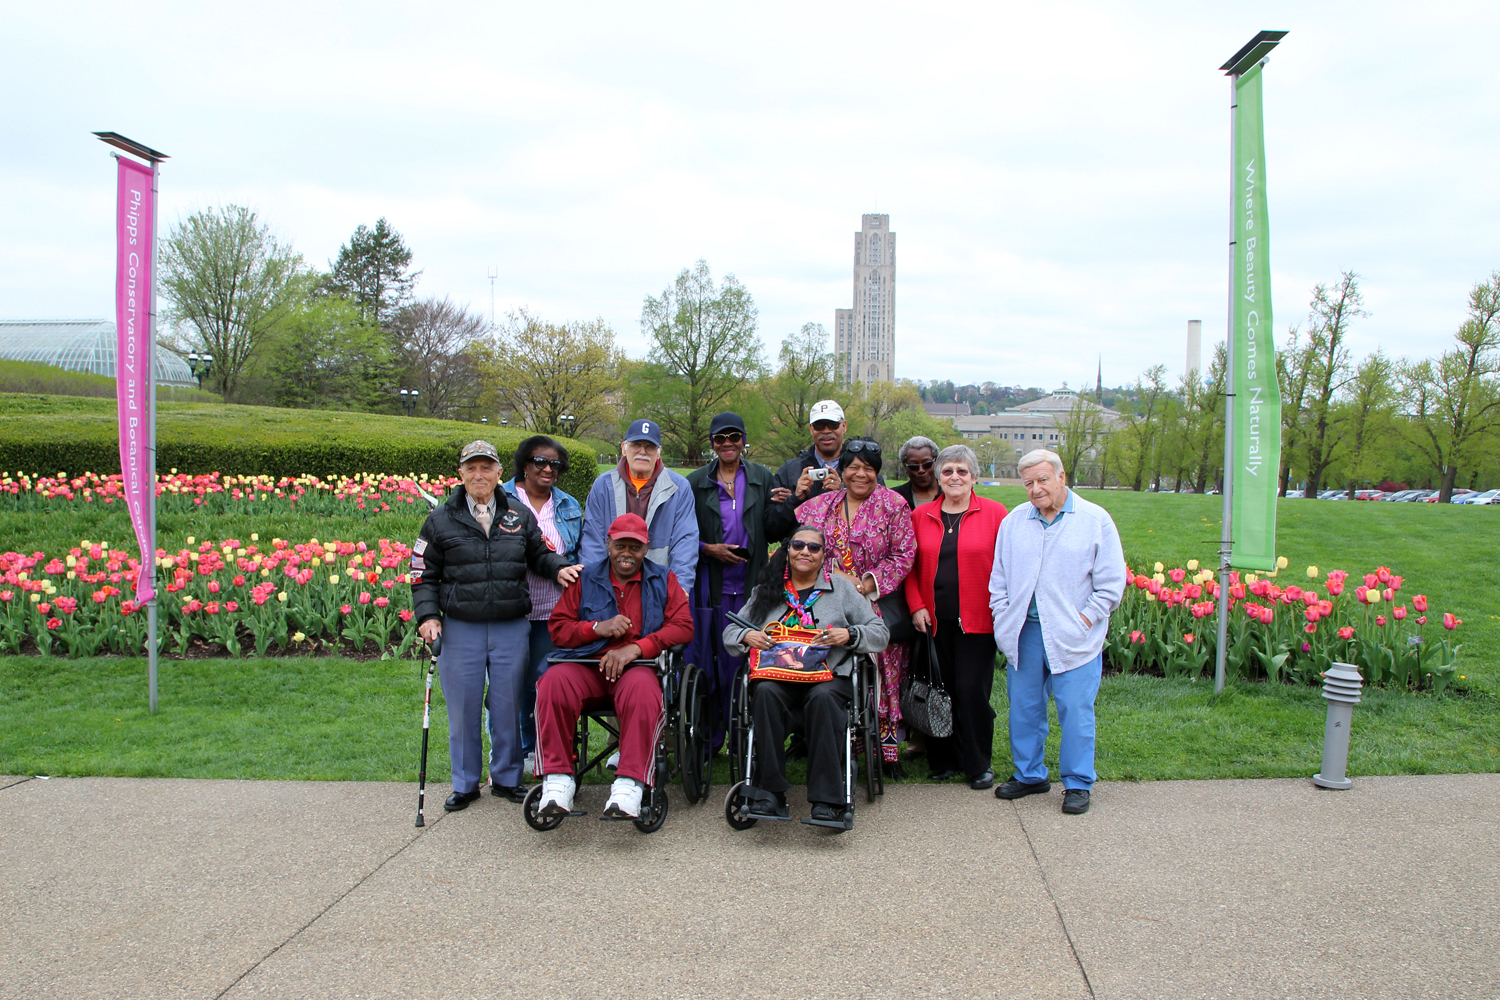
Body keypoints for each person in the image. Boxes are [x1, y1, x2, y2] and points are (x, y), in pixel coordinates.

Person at [413, 440, 583, 811]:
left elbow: (539, 553)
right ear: (460, 473)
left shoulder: (518, 515)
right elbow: (423, 573)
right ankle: (465, 784)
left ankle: (507, 778)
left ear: (499, 474)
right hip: (461, 627)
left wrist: (560, 568)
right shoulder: (440, 519)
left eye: (486, 468)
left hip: (510, 625)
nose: (479, 475)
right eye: (471, 468)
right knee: (464, 708)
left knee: (507, 705)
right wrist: (427, 618)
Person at [988, 449, 1125, 815]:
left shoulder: (1094, 520)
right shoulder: (1015, 521)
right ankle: (1030, 775)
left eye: (1043, 480)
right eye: (1028, 482)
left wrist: (1086, 618)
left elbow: (1111, 584)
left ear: (1062, 477)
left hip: (1073, 634)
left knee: (1075, 710)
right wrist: (1001, 616)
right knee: (1024, 709)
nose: (1035, 489)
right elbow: (998, 578)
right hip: (1024, 632)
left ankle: (1078, 782)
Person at [723, 526, 889, 823]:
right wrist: (748, 636)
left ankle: (826, 799)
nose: (805, 552)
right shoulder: (767, 591)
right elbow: (731, 630)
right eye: (798, 545)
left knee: (824, 698)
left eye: (814, 548)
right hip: (777, 678)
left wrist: (848, 635)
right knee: (764, 692)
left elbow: (879, 632)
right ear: (787, 551)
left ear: (824, 556)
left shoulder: (841, 590)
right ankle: (770, 793)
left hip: (828, 679)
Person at [535, 514, 695, 818]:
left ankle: (629, 784)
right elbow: (558, 629)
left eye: (635, 548)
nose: (627, 554)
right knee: (553, 682)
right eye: (621, 545)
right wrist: (596, 628)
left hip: (637, 667)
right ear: (608, 544)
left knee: (643, 689)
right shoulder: (584, 578)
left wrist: (637, 647)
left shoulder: (664, 579)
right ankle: (557, 780)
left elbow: (684, 626)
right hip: (587, 666)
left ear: (646, 549)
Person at [794, 439, 916, 769]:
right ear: (841, 470)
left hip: (875, 602)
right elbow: (799, 547)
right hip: (829, 602)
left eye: (869, 469)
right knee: (833, 668)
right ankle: (840, 743)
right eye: (853, 467)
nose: (860, 474)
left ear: (878, 472)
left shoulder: (894, 505)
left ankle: (886, 753)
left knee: (884, 676)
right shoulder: (820, 507)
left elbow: (905, 554)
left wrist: (865, 584)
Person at [904, 445, 1008, 789]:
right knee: (939, 689)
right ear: (938, 477)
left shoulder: (995, 514)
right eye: (947, 471)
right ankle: (943, 760)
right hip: (933, 621)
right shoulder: (921, 516)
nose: (955, 477)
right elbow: (911, 569)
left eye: (962, 471)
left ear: (974, 477)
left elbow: (1008, 567)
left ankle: (977, 763)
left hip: (978, 620)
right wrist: (917, 605)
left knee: (971, 691)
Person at [684, 411, 775, 750]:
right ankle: (709, 737)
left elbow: (777, 525)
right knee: (712, 662)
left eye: (734, 437)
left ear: (743, 441)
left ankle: (743, 740)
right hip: (712, 586)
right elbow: (679, 533)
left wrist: (787, 503)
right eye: (720, 438)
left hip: (752, 587)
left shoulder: (762, 478)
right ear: (712, 443)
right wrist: (708, 549)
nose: (727, 444)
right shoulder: (694, 483)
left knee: (744, 661)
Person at [501, 435, 582, 783]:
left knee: (542, 681)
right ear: (524, 463)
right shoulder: (501, 499)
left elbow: (578, 552)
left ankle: (539, 750)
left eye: (556, 465)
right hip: (511, 607)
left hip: (554, 610)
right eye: (540, 462)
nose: (548, 469)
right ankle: (510, 756)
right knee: (510, 685)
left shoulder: (567, 505)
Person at [580, 418, 699, 593]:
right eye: (636, 444)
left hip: (659, 587)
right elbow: (593, 540)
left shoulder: (679, 487)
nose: (642, 451)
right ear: (624, 448)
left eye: (649, 446)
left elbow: (685, 541)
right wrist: (594, 586)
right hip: (610, 586)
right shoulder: (603, 485)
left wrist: (679, 588)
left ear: (658, 452)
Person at [766, 399, 852, 540]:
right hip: (802, 555)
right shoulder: (790, 470)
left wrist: (843, 495)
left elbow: (877, 522)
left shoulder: (861, 471)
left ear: (844, 426)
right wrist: (795, 500)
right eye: (819, 426)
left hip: (846, 558)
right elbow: (770, 530)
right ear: (811, 429)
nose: (826, 431)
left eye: (833, 425)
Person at [893, 436, 941, 509]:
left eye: (927, 464)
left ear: (937, 463)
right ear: (905, 467)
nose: (921, 470)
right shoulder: (893, 497)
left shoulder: (950, 495)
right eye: (913, 466)